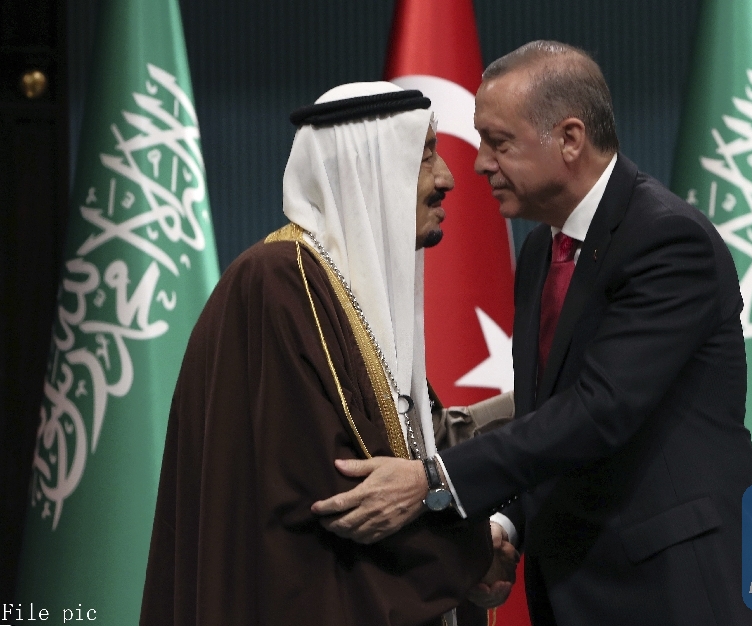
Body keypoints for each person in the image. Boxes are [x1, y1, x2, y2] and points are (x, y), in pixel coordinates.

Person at [310, 43, 752, 626]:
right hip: (583, 591)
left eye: (499, 142)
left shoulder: (666, 241)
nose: (479, 164)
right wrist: (504, 526)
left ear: (569, 139)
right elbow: (551, 422)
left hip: (681, 591)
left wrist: (434, 480)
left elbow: (600, 411)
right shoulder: (544, 248)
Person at [139, 81, 515, 626]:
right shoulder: (281, 283)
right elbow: (338, 491)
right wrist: (473, 551)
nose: (447, 179)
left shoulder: (340, 286)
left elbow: (419, 443)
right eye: (425, 154)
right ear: (368, 167)